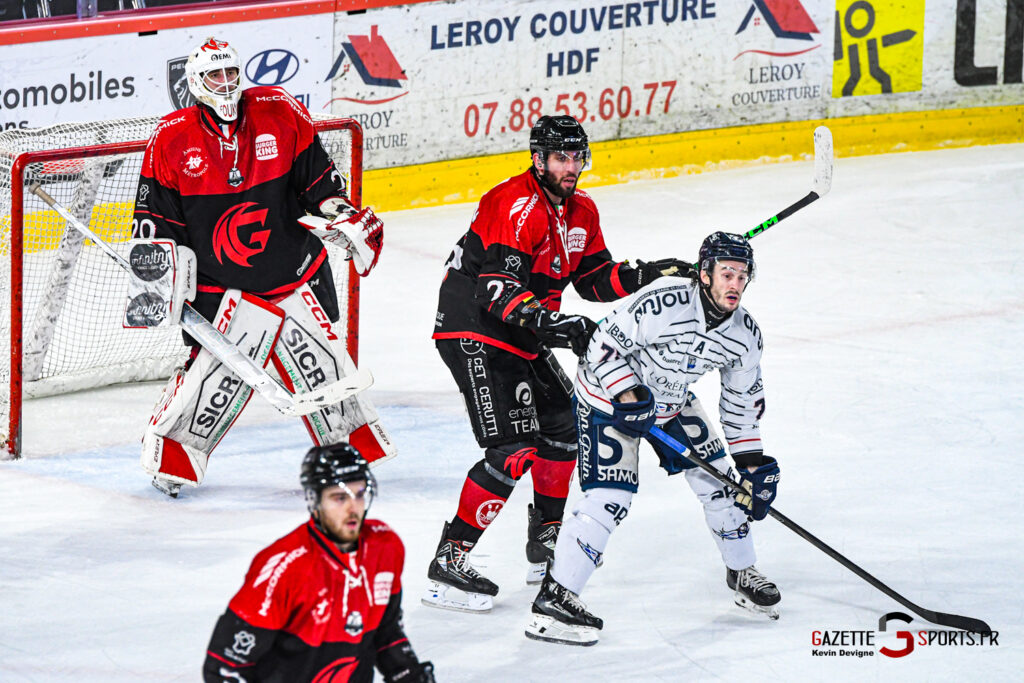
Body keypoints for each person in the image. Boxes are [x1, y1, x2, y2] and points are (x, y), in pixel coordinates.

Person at [425, 114, 693, 612]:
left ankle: (544, 543)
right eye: (560, 158)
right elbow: (495, 290)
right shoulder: (515, 204)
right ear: (538, 159)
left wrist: (649, 274)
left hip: (522, 332)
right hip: (474, 328)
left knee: (563, 428)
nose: (571, 168)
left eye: (576, 158)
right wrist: (558, 326)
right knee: (512, 449)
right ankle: (449, 561)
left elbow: (594, 279)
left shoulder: (581, 210)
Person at [130, 37, 388, 497]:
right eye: (216, 76)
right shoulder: (170, 139)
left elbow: (319, 182)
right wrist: (164, 277)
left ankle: (347, 459)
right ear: (196, 83)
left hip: (294, 273)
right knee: (215, 381)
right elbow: (156, 224)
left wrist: (340, 213)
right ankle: (170, 462)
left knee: (325, 373)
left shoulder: (280, 110)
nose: (227, 84)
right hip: (220, 289)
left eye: (232, 73)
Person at [525, 232, 782, 646]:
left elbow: (740, 402)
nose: (735, 284)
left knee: (723, 484)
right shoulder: (662, 302)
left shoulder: (745, 335)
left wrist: (752, 467)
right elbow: (601, 347)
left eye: (742, 275)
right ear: (704, 274)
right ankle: (554, 600)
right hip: (607, 398)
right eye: (726, 273)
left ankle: (742, 570)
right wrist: (628, 395)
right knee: (610, 499)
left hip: (672, 401)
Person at [203, 443, 434, 682]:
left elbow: (386, 634)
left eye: (359, 494)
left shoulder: (385, 549)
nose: (352, 508)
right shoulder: (284, 568)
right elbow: (224, 669)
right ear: (314, 501)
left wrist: (409, 675)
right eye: (339, 498)